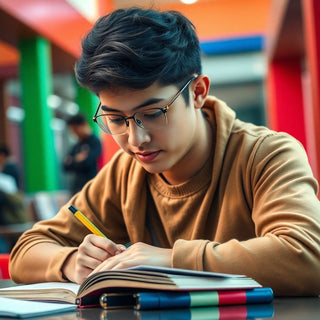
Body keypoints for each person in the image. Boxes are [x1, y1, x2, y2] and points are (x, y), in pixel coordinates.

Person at [9, 8, 320, 296]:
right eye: (116, 119)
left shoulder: (266, 155)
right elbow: (27, 250)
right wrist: (72, 261)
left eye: (155, 113)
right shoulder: (125, 172)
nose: (136, 139)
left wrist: (172, 260)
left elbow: (308, 257)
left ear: (198, 92)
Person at [63, 113, 102, 195]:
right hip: (76, 189)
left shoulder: (95, 142)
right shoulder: (77, 145)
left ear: (83, 125)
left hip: (91, 187)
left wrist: (73, 160)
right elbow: (65, 166)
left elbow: (88, 162)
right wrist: (77, 159)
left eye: (75, 129)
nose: (74, 133)